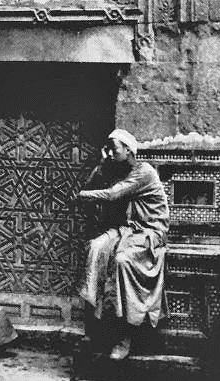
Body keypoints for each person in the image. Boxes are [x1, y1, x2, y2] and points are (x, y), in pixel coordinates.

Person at [72, 129, 169, 360]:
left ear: (128, 150)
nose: (111, 152)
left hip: (148, 232)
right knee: (95, 249)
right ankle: (93, 330)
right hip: (126, 230)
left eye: (114, 149)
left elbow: (111, 195)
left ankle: (125, 337)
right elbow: (95, 183)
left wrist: (82, 195)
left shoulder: (143, 172)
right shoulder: (117, 170)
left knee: (122, 261)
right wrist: (103, 163)